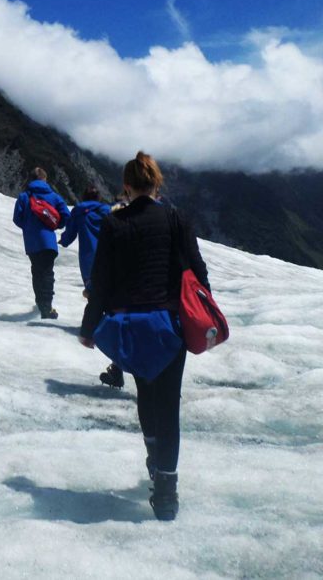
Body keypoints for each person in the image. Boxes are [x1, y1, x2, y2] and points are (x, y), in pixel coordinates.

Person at [78, 151, 209, 522]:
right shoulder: (175, 218)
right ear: (156, 183)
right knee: (169, 405)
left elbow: (101, 282)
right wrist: (204, 313)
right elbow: (196, 271)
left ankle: (153, 458)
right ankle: (166, 491)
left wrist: (89, 329)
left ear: (127, 186)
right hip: (170, 327)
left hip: (132, 327)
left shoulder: (114, 223)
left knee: (145, 393)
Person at [13, 167, 71, 319]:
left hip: (31, 243)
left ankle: (41, 303)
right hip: (48, 242)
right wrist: (55, 226)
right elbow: (66, 215)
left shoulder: (24, 196)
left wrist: (29, 228)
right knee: (47, 273)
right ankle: (47, 308)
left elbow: (17, 218)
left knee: (37, 272)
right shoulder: (54, 196)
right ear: (45, 180)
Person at [59, 186, 111, 297]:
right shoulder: (108, 211)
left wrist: (63, 241)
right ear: (99, 198)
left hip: (89, 260)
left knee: (93, 297)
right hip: (108, 257)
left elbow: (70, 233)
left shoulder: (79, 211)